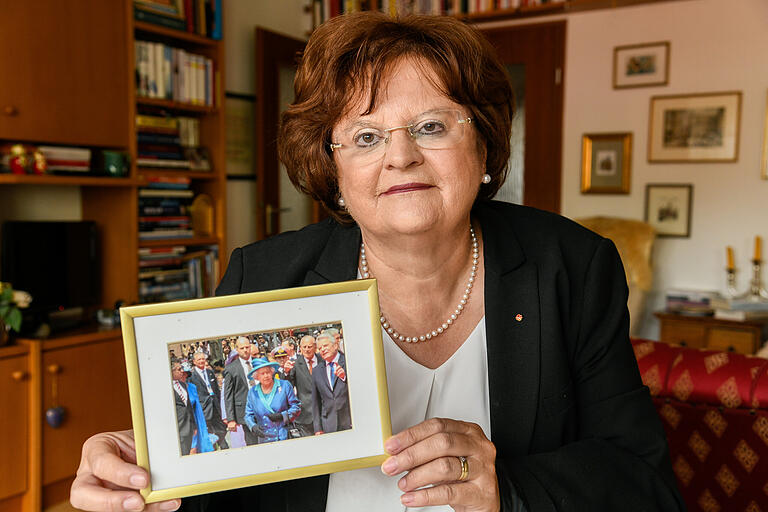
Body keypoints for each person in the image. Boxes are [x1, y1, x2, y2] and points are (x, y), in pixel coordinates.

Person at [70, 11, 684, 512]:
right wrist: (144, 477)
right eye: (365, 136)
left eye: (431, 125)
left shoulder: (570, 267)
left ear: (486, 149)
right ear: (334, 175)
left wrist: (510, 491)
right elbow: (221, 488)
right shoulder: (263, 276)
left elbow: (643, 482)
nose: (400, 156)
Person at [244, 358, 301, 443]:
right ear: (256, 377)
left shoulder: (284, 385)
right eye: (262, 373)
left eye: (268, 372)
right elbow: (248, 415)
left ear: (272, 372)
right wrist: (253, 426)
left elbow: (296, 407)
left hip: (283, 435)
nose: (266, 375)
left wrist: (283, 416)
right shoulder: (252, 392)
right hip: (264, 437)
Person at [221, 336, 259, 446]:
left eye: (247, 347)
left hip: (263, 407)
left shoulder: (258, 363)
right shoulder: (231, 369)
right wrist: (230, 419)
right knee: (252, 441)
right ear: (237, 349)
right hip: (244, 411)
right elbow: (228, 395)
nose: (245, 350)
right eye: (242, 348)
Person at [311, 333, 351, 436]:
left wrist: (344, 378)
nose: (323, 349)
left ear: (335, 345)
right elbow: (316, 402)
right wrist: (317, 428)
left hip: (349, 421)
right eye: (320, 348)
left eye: (325, 346)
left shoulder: (349, 362)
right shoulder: (316, 371)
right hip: (329, 424)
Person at [170, 361, 213, 456]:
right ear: (171, 371)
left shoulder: (183, 386)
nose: (181, 372)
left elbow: (189, 407)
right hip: (177, 428)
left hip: (188, 428)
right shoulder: (166, 388)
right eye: (179, 369)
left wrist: (194, 426)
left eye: (182, 369)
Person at [187, 352, 228, 449]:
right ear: (194, 362)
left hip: (215, 406)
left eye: (203, 359)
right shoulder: (191, 377)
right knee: (208, 432)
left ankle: (222, 446)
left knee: (221, 429)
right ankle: (213, 448)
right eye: (199, 359)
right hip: (204, 408)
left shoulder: (210, 373)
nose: (201, 361)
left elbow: (216, 391)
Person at [287, 334, 323, 437]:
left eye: (309, 346)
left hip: (324, 413)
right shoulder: (295, 364)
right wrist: (286, 373)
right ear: (300, 348)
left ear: (315, 347)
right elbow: (289, 385)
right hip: (305, 416)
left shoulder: (323, 360)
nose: (307, 350)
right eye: (304, 347)